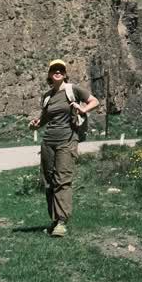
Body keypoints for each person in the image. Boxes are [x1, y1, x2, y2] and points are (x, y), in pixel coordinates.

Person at [28, 59, 99, 237]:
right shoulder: (47, 96)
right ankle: (54, 220)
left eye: (61, 69)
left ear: (65, 73)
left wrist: (83, 110)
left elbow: (94, 101)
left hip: (67, 140)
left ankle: (62, 221)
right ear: (50, 74)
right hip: (48, 142)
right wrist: (36, 124)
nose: (57, 72)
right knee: (49, 181)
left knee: (62, 179)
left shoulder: (73, 90)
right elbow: (44, 119)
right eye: (54, 69)